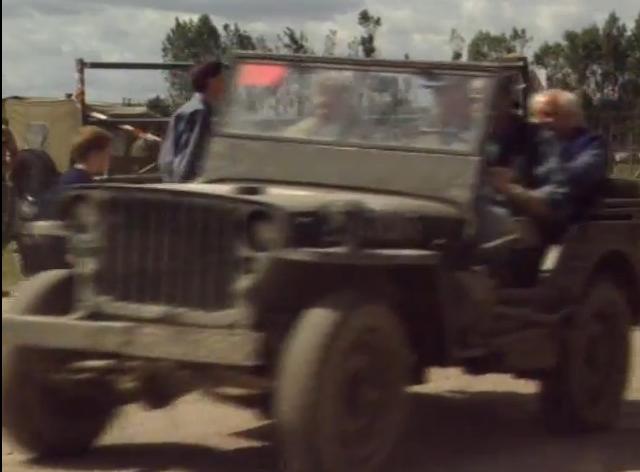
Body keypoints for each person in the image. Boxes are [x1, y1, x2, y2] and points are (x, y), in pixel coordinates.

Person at [487, 89, 607, 237]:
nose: (542, 121)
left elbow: (574, 177)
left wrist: (518, 179)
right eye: (536, 115)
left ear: (572, 117)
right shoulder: (530, 141)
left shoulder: (591, 145)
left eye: (551, 115)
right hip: (528, 213)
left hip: (571, 220)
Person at [158, 60, 226, 182]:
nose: (224, 85)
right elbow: (189, 157)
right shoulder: (200, 112)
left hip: (171, 178)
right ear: (211, 81)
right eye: (221, 79)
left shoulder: (190, 108)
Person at [284, 72, 359, 140]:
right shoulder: (301, 131)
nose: (324, 112)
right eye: (321, 106)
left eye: (329, 106)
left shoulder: (359, 134)